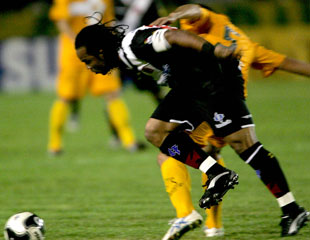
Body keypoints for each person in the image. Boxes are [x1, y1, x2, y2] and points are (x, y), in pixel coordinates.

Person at [74, 18, 309, 239]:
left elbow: (175, 37)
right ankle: (216, 174)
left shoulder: (133, 44)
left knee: (244, 145)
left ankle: (291, 209)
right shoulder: (127, 57)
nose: (89, 67)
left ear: (101, 52)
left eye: (88, 61)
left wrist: (213, 50)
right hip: (190, 88)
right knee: (155, 132)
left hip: (214, 80)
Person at [150, 4, 310, 239]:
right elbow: (287, 63)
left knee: (168, 150)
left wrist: (174, 16)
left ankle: (188, 215)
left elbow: (194, 9)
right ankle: (285, 210)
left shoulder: (208, 20)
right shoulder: (245, 42)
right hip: (230, 103)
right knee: (234, 153)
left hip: (209, 97)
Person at [48, 0, 144, 155]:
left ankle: (129, 141)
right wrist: (78, 43)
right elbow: (61, 22)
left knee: (112, 93)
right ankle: (55, 144)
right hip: (73, 54)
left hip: (99, 53)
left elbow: (108, 22)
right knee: (65, 96)